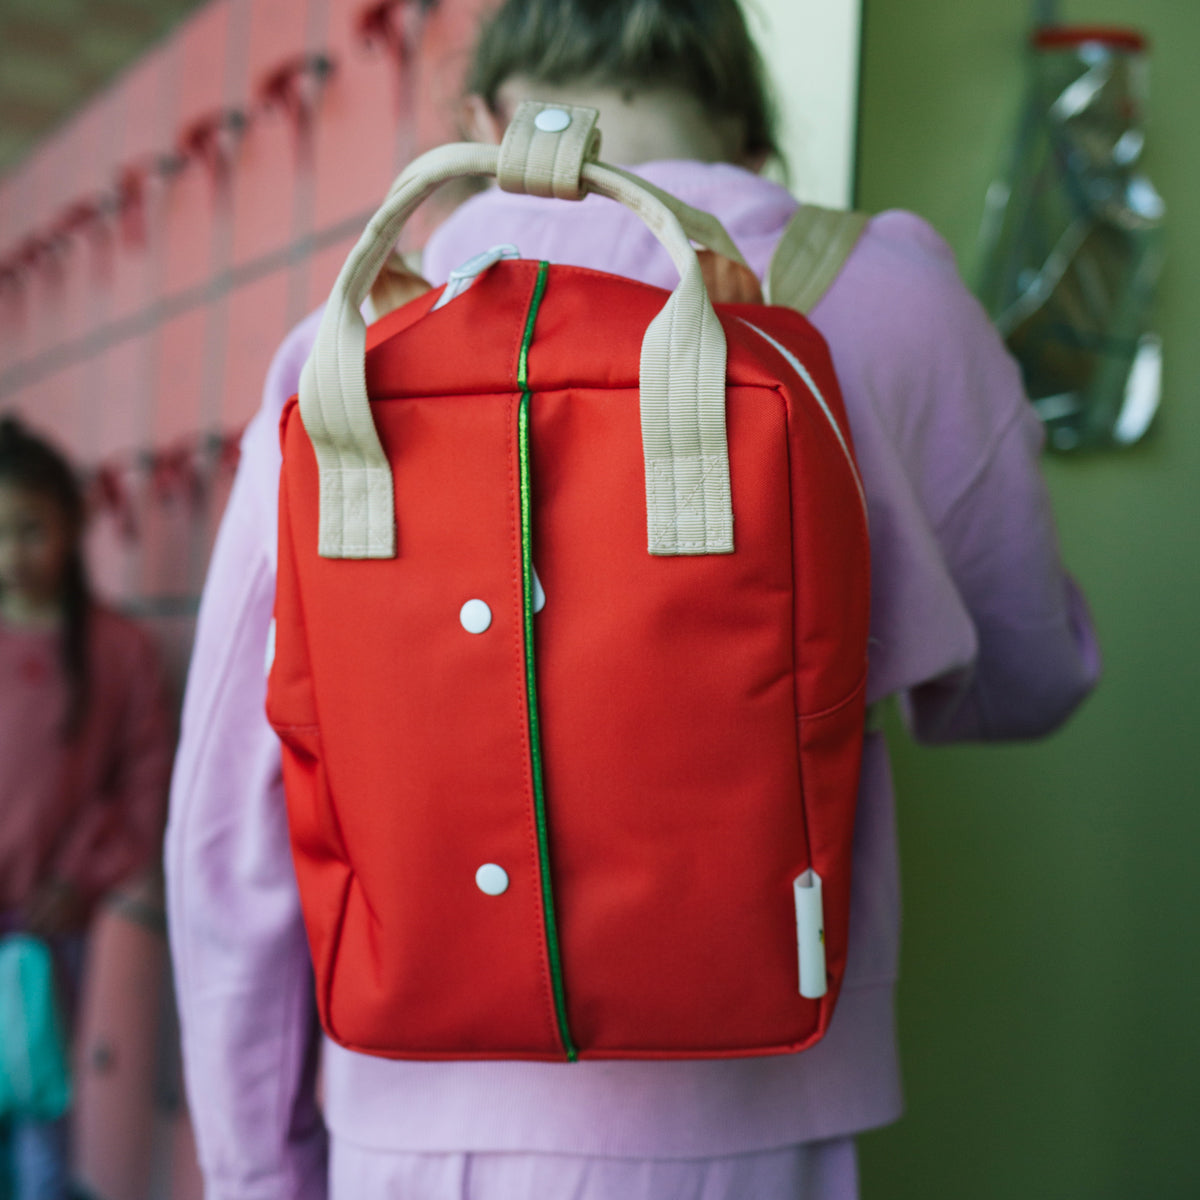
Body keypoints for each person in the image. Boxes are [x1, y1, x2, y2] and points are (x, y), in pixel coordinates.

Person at [165, 2, 1101, 1197]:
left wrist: (258, 1170)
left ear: (482, 123)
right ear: (753, 141)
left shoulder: (343, 356)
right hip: (749, 1118)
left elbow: (227, 821)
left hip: (405, 1126)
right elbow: (1028, 677)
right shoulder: (894, 303)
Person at [0, 416, 173, 1200]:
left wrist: (80, 876)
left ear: (71, 522)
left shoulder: (119, 653)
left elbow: (141, 789)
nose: (12, 555)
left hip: (47, 929)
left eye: (30, 528)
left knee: (38, 1110)